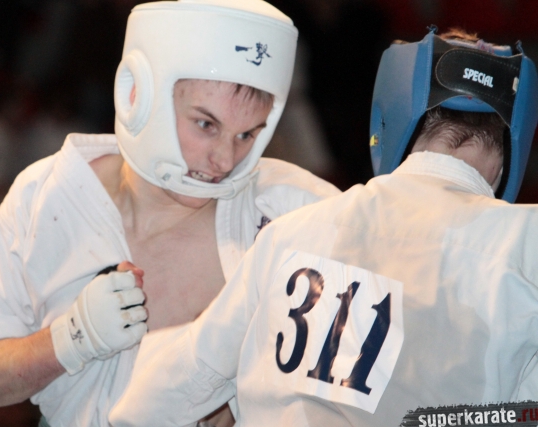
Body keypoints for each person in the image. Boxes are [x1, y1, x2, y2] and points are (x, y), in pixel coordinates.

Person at [108, 28, 538, 426]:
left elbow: (160, 394)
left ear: (389, 116)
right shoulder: (524, 245)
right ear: (513, 146)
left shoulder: (292, 233)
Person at [0, 1, 340, 426]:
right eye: (206, 125)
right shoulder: (47, 195)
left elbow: (348, 392)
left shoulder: (289, 214)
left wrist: (245, 402)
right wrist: (73, 337)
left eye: (246, 134)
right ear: (138, 95)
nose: (225, 159)